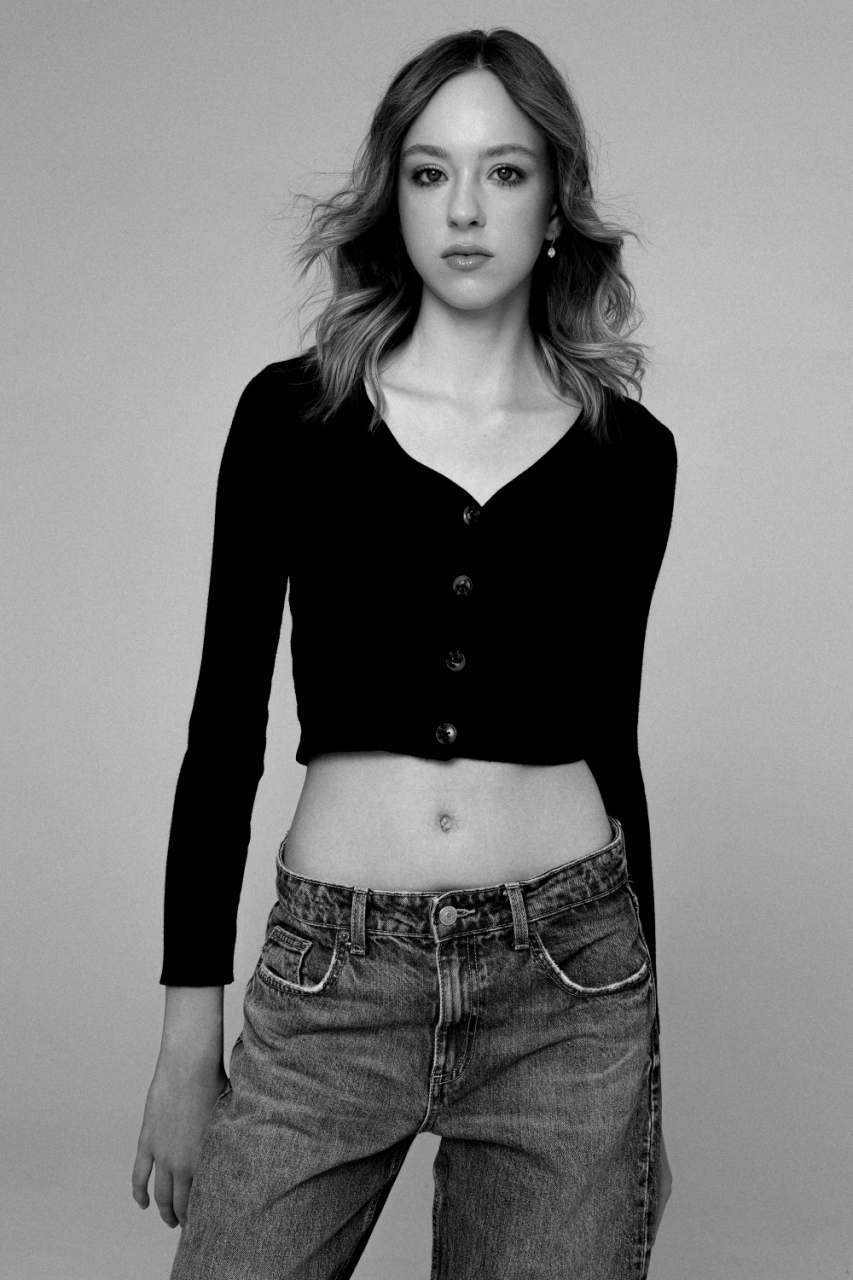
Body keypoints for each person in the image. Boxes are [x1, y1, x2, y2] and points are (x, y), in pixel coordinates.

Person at [132, 27, 677, 1280]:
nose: (464, 209)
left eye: (504, 172)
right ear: (395, 198)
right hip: (336, 977)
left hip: (569, 989)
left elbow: (614, 746)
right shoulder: (293, 414)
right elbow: (222, 733)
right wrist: (185, 1033)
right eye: (431, 173)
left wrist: (652, 1081)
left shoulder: (628, 455)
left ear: (555, 204)